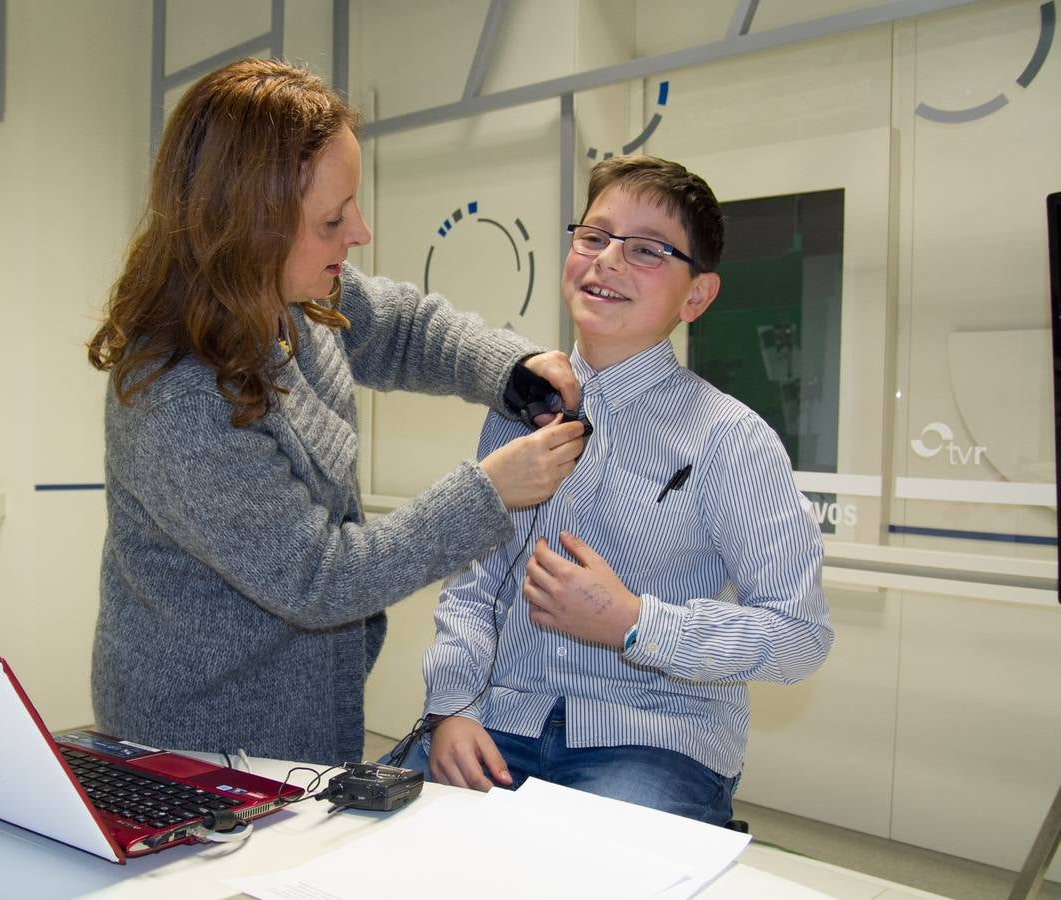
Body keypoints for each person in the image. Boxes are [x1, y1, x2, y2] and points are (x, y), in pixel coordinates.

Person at [85, 58, 588, 766]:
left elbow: (404, 327)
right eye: (332, 219)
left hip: (305, 719)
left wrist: (507, 365)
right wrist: (488, 492)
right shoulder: (178, 396)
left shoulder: (289, 295)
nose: (360, 232)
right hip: (198, 749)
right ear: (249, 228)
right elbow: (321, 578)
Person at [398, 155, 833, 825]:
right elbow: (476, 582)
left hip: (654, 740)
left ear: (697, 296)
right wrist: (451, 707)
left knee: (594, 870)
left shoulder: (731, 440)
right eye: (594, 237)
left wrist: (633, 623)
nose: (607, 261)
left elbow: (800, 634)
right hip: (497, 718)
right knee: (378, 845)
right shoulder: (519, 406)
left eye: (647, 250)